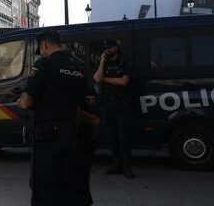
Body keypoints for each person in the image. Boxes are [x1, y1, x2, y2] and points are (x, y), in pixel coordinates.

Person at [18, 31, 89, 206]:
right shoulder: (77, 67)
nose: (41, 52)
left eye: (40, 49)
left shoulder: (45, 65)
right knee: (69, 185)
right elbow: (81, 105)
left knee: (44, 188)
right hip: (72, 134)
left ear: (45, 45)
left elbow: (26, 102)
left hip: (47, 138)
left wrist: (20, 100)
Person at [94, 39, 134, 178]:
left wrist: (106, 79)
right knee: (112, 138)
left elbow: (123, 81)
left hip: (121, 104)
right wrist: (102, 62)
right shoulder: (104, 63)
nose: (107, 50)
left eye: (110, 48)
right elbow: (97, 78)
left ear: (116, 48)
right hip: (107, 105)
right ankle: (117, 165)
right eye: (106, 48)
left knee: (124, 138)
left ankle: (127, 167)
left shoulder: (123, 62)